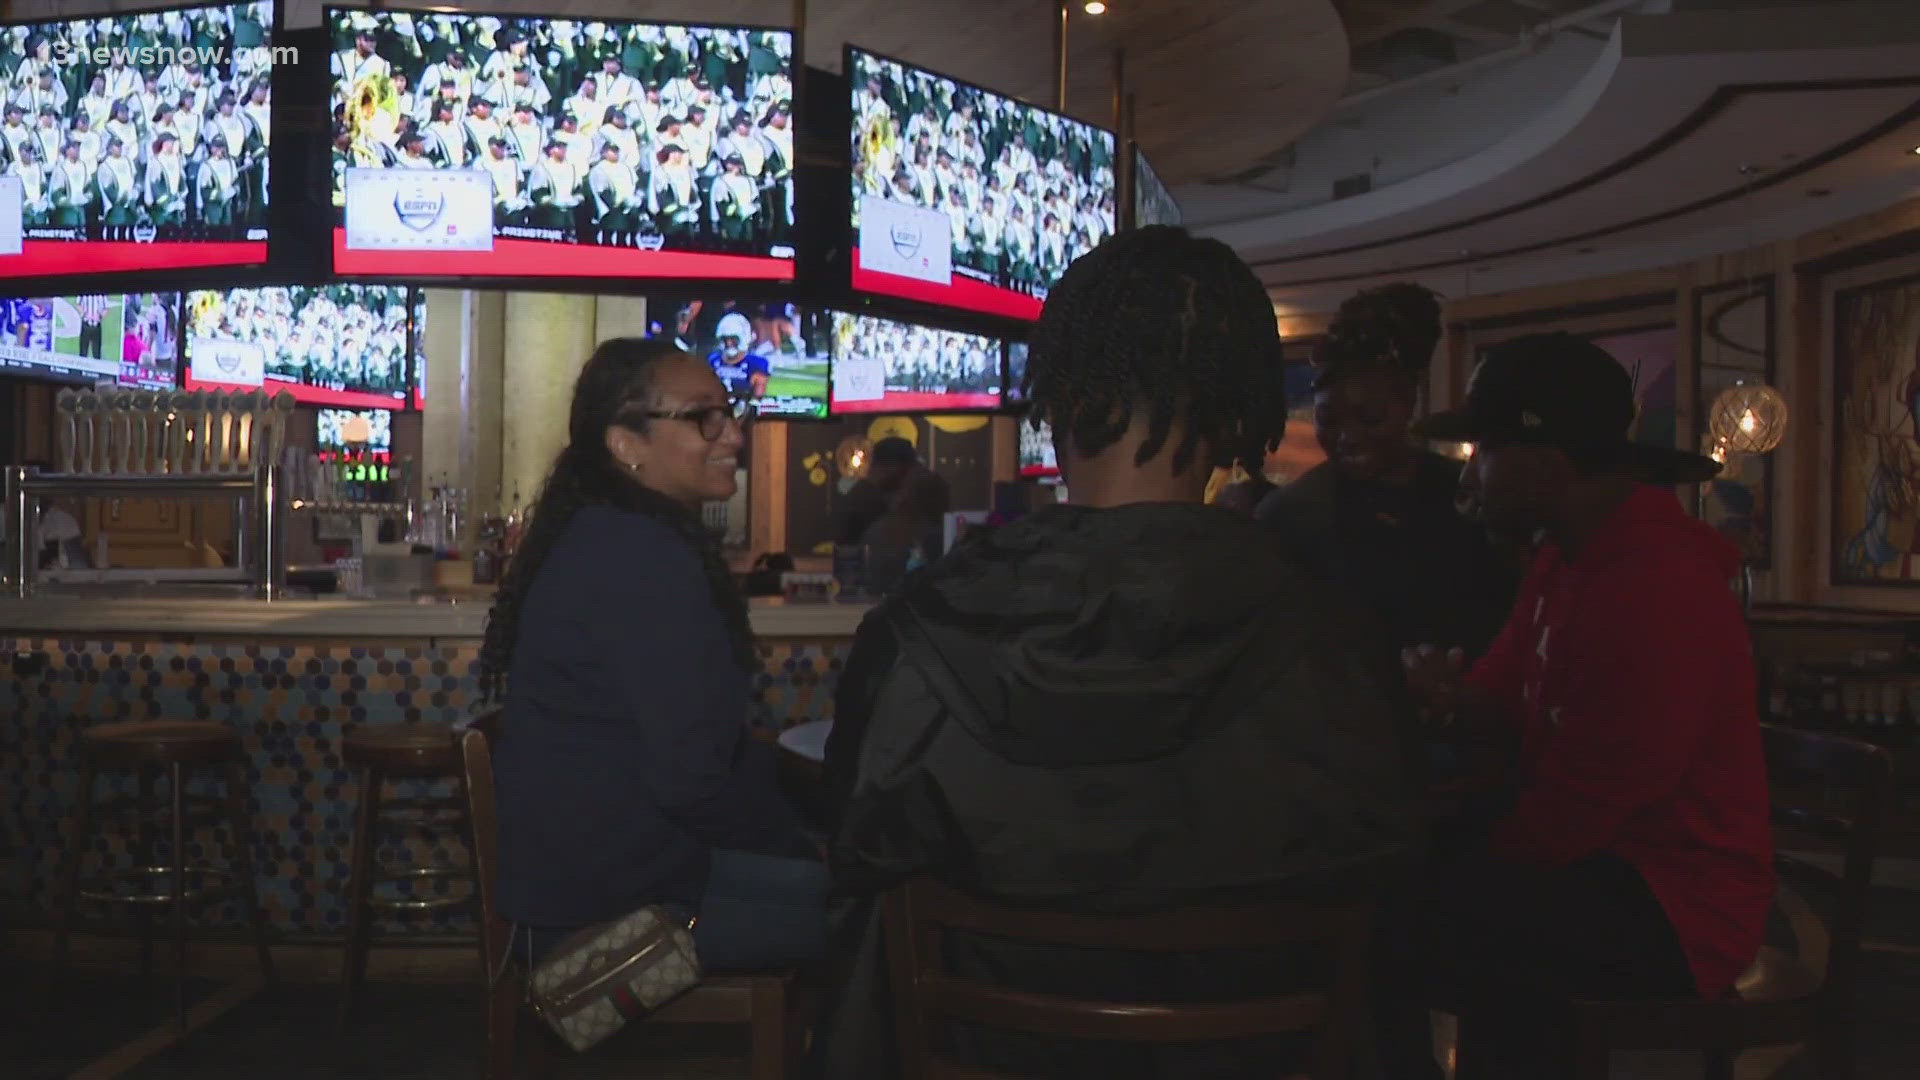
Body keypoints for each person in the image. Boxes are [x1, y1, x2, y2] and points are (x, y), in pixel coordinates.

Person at [811, 227, 1421, 1078]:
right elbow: (1387, 903)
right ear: (1241, 411)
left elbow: (855, 867)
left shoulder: (913, 633)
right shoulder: (1339, 637)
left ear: (1056, 395)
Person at [1378, 332, 1774, 1079]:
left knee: (1394, 920)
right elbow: (1498, 700)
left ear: (1546, 467)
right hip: (1607, 867)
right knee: (1399, 892)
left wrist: (1461, 850)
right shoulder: (1564, 556)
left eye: (1484, 453)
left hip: (1677, 909)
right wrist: (1448, 698)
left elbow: (1589, 799)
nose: (1474, 476)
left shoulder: (1655, 583)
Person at [479, 337, 826, 973]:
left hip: (578, 893)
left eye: (729, 414)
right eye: (703, 418)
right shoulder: (642, 557)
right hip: (605, 930)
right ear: (626, 445)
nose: (732, 437)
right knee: (889, 908)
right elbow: (692, 780)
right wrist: (808, 843)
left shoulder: (609, 534)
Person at [1257, 283, 1515, 665]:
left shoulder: (1468, 494)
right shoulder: (1290, 515)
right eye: (1328, 420)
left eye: (1371, 418)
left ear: (1408, 403)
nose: (1348, 438)